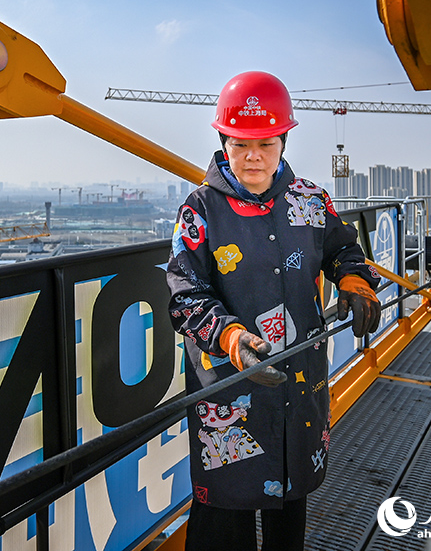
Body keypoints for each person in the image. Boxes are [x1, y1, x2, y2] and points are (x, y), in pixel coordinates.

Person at [166, 71, 381, 550]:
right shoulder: (199, 211)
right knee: (225, 523)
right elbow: (185, 296)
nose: (253, 156)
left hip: (299, 387)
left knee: (290, 515)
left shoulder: (311, 201)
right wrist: (231, 338)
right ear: (224, 142)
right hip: (229, 396)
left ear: (283, 140)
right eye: (241, 144)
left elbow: (345, 250)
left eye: (264, 142)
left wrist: (353, 281)